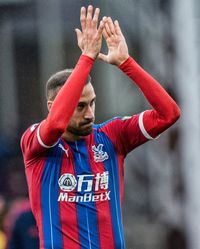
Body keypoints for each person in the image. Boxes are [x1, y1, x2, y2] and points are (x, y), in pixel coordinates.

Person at [20, 5, 181, 249]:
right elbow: (55, 125)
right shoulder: (35, 143)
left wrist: (127, 63)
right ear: (53, 105)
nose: (90, 113)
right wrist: (86, 58)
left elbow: (169, 114)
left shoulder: (111, 136)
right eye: (80, 106)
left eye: (92, 103)